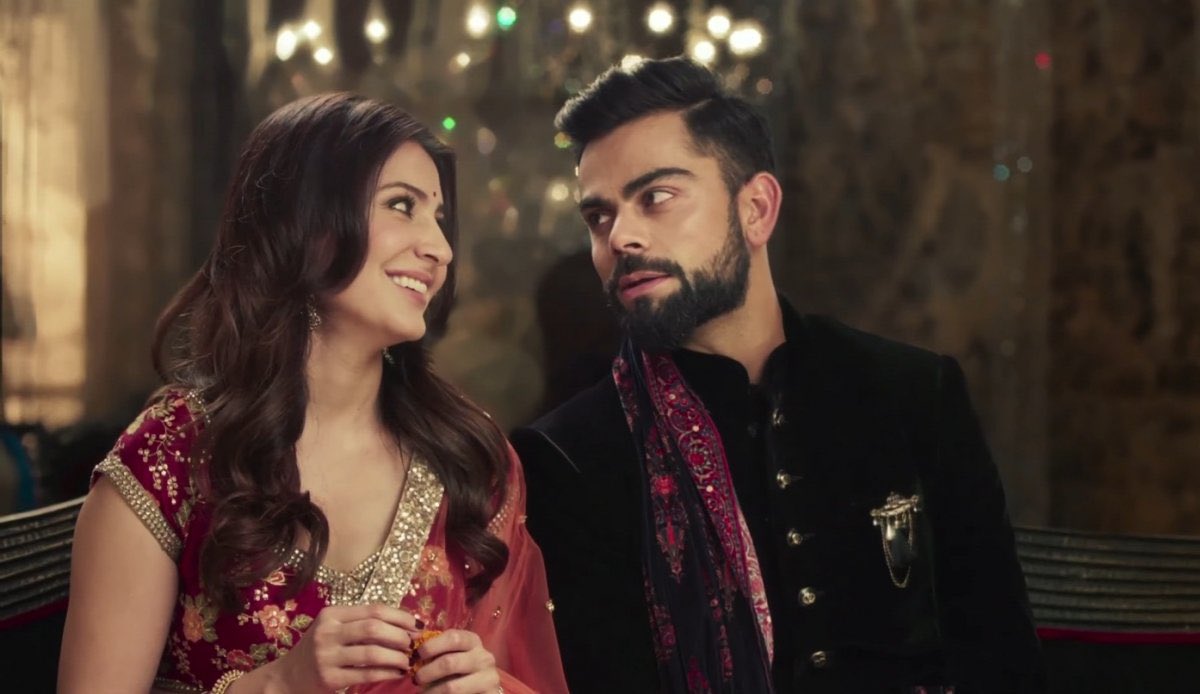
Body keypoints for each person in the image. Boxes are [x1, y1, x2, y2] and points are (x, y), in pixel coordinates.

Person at [511, 57, 1045, 693]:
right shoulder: (567, 456)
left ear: (757, 209)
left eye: (656, 198)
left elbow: (1000, 654)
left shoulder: (911, 394)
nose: (619, 237)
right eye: (599, 217)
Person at [59, 93, 568, 694]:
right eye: (402, 205)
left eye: (438, 217)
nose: (440, 248)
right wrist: (276, 684)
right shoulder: (173, 455)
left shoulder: (469, 461)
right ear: (305, 223)